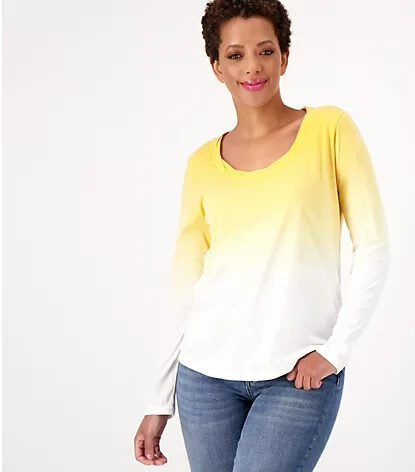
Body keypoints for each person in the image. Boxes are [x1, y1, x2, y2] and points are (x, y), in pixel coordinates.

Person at [134, 0, 391, 470]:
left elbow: (373, 248)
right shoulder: (201, 164)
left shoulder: (329, 129)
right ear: (216, 67)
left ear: (284, 57)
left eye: (265, 51)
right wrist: (158, 397)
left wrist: (335, 352)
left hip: (297, 376)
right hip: (205, 379)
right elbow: (184, 285)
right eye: (235, 55)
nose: (252, 66)